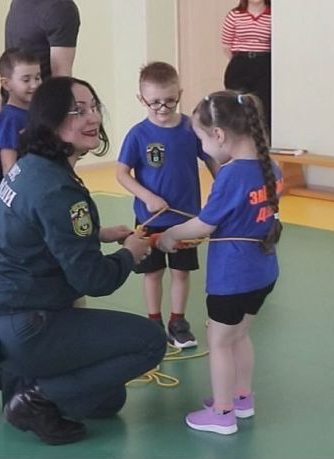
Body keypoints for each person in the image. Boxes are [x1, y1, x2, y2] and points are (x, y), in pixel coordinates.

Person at [0, 77, 165, 445]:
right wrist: (130, 254)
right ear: (50, 121)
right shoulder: (59, 188)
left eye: (94, 106)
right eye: (77, 111)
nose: (92, 117)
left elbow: (34, 228)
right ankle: (35, 400)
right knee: (149, 342)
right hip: (27, 323)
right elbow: (93, 280)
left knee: (107, 399)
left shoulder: (29, 166)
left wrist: (96, 234)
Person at [157, 91, 282, 435]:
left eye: (200, 138)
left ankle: (223, 413)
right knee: (240, 335)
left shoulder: (231, 175)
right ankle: (242, 398)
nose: (202, 146)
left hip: (233, 277)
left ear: (219, 136)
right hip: (263, 271)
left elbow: (204, 224)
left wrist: (171, 235)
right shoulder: (271, 167)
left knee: (220, 342)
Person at [116, 61, 217, 348]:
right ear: (141, 99)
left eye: (170, 101)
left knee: (181, 272)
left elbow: (209, 156)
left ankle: (178, 321)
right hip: (150, 221)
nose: (162, 108)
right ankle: (153, 322)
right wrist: (147, 196)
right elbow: (121, 173)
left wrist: (221, 183)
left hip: (186, 220)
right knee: (152, 273)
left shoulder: (189, 128)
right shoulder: (138, 135)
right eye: (154, 102)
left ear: (180, 94)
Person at [221, 0, 271, 131]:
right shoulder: (234, 15)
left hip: (265, 64)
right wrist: (241, 62)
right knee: (237, 106)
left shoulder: (273, 15)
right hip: (240, 65)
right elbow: (226, 45)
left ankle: (263, 143)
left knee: (264, 106)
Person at [4, 0, 79, 80]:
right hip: (11, 90)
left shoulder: (61, 8)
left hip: (42, 91)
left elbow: (61, 77)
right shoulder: (18, 3)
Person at [0, 48, 41, 174]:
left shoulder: (36, 112)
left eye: (37, 77)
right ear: (6, 84)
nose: (34, 85)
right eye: (26, 80)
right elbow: (8, 166)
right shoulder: (10, 118)